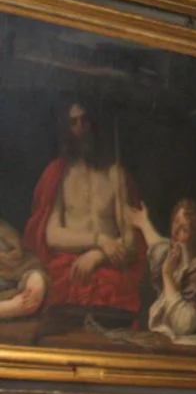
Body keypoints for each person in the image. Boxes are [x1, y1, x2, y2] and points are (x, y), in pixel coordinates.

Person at [23, 102, 146, 317]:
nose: (81, 127)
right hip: (69, 267)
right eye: (74, 122)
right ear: (66, 129)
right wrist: (99, 240)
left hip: (109, 266)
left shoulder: (115, 174)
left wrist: (99, 255)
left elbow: (130, 240)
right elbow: (51, 235)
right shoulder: (59, 174)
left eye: (85, 120)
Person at [125, 199, 196, 352]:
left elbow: (183, 324)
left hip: (195, 351)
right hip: (171, 345)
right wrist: (143, 223)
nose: (175, 231)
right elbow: (159, 246)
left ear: (195, 237)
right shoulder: (178, 262)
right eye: (175, 222)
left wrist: (167, 275)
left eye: (184, 229)